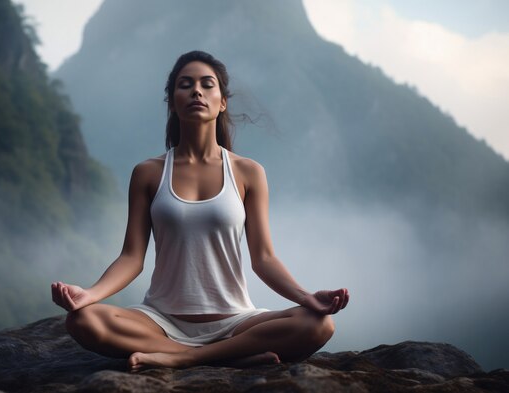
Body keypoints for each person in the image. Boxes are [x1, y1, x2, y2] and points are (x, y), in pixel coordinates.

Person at [51, 50, 349, 372]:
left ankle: (185, 358)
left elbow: (263, 259)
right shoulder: (149, 173)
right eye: (185, 85)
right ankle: (227, 356)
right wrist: (89, 294)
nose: (196, 91)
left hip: (236, 321)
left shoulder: (248, 173)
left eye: (207, 85)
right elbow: (131, 258)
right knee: (83, 320)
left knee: (320, 325)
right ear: (172, 102)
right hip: (161, 321)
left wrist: (307, 298)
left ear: (222, 102)